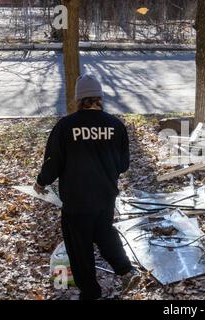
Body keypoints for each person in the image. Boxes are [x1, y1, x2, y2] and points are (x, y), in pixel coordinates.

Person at [34, 74, 139, 300]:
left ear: (78, 99)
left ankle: (91, 292)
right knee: (104, 233)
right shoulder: (116, 125)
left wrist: (41, 181)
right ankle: (125, 270)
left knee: (79, 247)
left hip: (77, 201)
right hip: (105, 197)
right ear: (99, 98)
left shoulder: (65, 127)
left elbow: (53, 163)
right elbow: (123, 165)